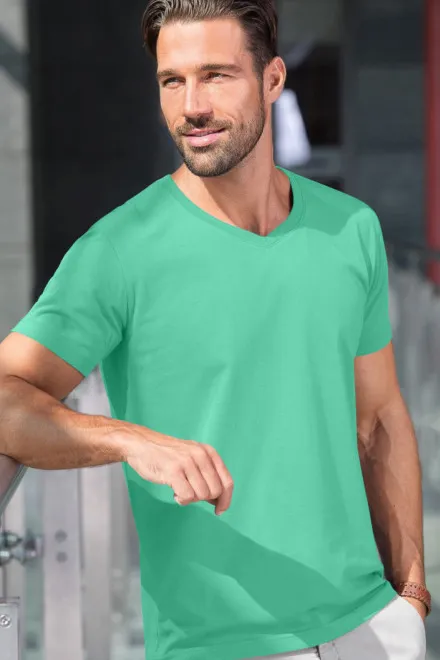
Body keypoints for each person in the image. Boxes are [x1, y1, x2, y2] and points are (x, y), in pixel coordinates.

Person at [0, 1, 431, 658]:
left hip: (371, 626)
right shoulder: (120, 249)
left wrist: (413, 596)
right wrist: (132, 441)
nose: (191, 106)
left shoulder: (351, 229)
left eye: (216, 76)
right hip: (219, 644)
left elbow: (377, 419)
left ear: (273, 80)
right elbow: (7, 397)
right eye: (172, 81)